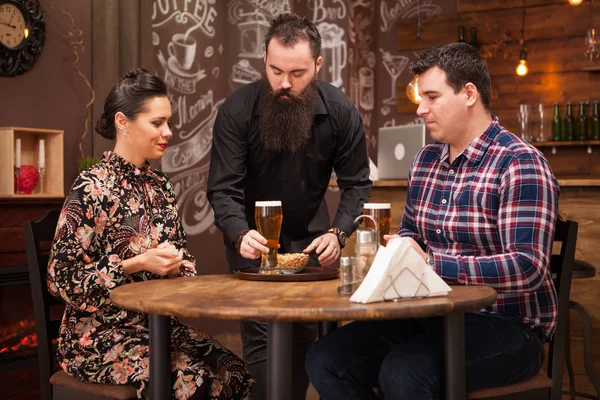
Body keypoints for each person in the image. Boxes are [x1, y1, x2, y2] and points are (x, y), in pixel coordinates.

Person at [306, 42, 560, 399]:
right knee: (325, 357)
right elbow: (413, 235)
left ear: (468, 94)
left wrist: (431, 263)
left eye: (432, 96)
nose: (420, 108)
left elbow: (527, 268)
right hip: (431, 315)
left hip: (507, 327)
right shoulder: (425, 160)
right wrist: (399, 250)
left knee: (404, 371)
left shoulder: (520, 164)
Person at [47, 69, 253, 400]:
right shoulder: (92, 187)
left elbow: (184, 261)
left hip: (155, 328)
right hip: (96, 338)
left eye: (168, 122)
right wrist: (134, 263)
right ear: (122, 122)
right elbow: (61, 280)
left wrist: (175, 266)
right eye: (157, 123)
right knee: (193, 380)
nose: (167, 132)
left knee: (233, 372)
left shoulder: (160, 186)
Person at [207, 13, 371, 400]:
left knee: (305, 342)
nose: (284, 83)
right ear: (264, 58)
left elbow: (357, 185)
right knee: (262, 343)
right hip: (253, 241)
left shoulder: (341, 111)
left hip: (314, 240)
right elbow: (223, 189)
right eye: (275, 69)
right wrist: (237, 233)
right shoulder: (236, 110)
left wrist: (339, 233)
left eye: (297, 73)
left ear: (317, 65)